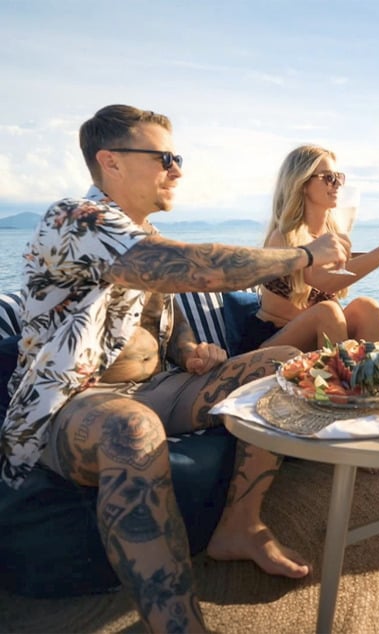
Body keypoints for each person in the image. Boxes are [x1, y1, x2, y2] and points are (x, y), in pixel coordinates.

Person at [0, 105, 349, 633]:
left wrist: (188, 349)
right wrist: (300, 257)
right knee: (131, 429)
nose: (178, 170)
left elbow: (165, 303)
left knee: (284, 366)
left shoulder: (139, 233)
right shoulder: (74, 220)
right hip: (73, 403)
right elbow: (185, 268)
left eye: (177, 157)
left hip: (157, 386)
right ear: (110, 162)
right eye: (165, 157)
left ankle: (241, 525)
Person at [236, 144, 379, 354]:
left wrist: (359, 325)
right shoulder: (282, 237)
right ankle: (339, 384)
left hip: (317, 335)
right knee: (328, 312)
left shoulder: (329, 236)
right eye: (327, 177)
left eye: (338, 177)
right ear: (302, 184)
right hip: (272, 340)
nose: (337, 185)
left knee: (366, 308)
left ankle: (374, 383)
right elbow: (325, 281)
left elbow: (329, 292)